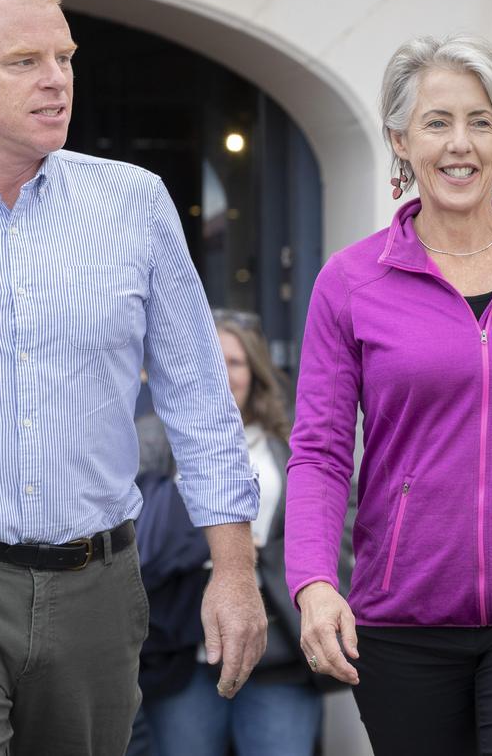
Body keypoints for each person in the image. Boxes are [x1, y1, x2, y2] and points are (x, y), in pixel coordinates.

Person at [0, 0, 266, 755]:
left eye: (65, 58)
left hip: (98, 592)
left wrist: (233, 571)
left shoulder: (135, 204)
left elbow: (200, 398)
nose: (55, 81)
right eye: (25, 60)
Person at [285, 34, 492, 756]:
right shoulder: (351, 282)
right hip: (402, 619)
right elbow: (319, 450)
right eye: (437, 122)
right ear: (401, 139)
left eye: (480, 120)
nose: (459, 143)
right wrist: (313, 579)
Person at [136, 310, 325, 756]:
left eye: (235, 362)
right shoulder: (153, 441)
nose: (223, 374)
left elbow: (336, 525)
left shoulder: (292, 442)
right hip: (183, 652)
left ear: (255, 371)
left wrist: (264, 555)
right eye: (212, 360)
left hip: (279, 653)